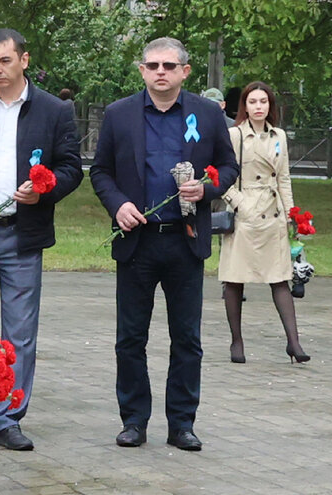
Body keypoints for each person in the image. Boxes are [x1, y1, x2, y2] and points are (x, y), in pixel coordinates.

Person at [89, 37, 238, 452]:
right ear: (141, 70)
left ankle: (182, 424)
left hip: (184, 242)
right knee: (130, 338)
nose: (160, 72)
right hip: (137, 241)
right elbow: (100, 171)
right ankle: (134, 420)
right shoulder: (120, 115)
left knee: (186, 338)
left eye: (169, 66)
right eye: (152, 65)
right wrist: (118, 205)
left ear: (184, 72)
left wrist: (208, 189)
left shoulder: (207, 115)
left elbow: (229, 166)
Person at [0, 28, 84, 451]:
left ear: (24, 60)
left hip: (23, 235)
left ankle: (8, 417)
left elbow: (72, 168)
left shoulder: (54, 110)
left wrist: (46, 188)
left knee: (20, 332)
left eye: (5, 61)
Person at [218, 82, 307, 364]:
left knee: (280, 278)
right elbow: (221, 177)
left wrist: (293, 213)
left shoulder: (278, 135)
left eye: (264, 102)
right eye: (253, 102)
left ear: (271, 106)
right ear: (244, 106)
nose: (258, 107)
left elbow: (283, 178)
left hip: (273, 214)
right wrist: (240, 204)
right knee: (235, 279)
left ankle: (294, 343)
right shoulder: (234, 135)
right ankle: (237, 342)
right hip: (245, 213)